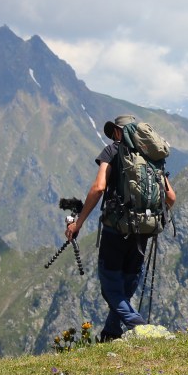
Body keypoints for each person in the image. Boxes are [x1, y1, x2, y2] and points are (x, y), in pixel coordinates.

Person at [65, 114, 176, 342]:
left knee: (110, 286)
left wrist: (79, 223)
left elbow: (98, 188)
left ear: (118, 131)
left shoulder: (112, 151)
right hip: (145, 229)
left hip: (116, 229)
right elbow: (171, 197)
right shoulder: (152, 156)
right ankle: (110, 334)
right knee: (126, 284)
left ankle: (141, 327)